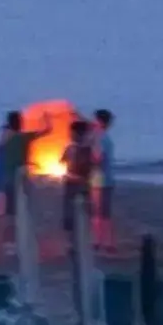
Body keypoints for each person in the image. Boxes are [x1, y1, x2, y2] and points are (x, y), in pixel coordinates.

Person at [0, 111, 32, 251]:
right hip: (9, 175)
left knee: (3, 203)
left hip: (5, 173)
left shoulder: (7, 134)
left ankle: (1, 235)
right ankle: (7, 240)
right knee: (9, 209)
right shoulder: (12, 136)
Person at [61, 119, 96, 237]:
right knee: (83, 210)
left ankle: (72, 237)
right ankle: (82, 234)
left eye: (71, 133)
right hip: (83, 182)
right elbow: (92, 166)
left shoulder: (71, 148)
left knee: (70, 210)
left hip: (73, 181)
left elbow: (62, 162)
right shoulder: (88, 148)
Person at [92, 108, 118, 253]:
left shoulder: (100, 138)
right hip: (106, 178)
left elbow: (98, 158)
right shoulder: (105, 137)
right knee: (104, 212)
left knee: (99, 213)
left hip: (100, 179)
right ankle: (106, 242)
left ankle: (101, 241)